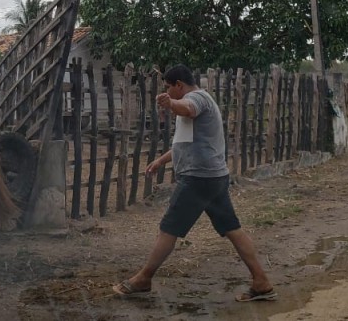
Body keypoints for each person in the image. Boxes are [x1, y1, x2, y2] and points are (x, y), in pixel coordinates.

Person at [113, 64, 276, 302]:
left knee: (169, 228)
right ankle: (261, 281)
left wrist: (171, 103)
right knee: (232, 229)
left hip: (199, 179)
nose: (167, 91)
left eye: (169, 87)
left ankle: (144, 278)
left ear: (179, 85)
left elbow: (188, 108)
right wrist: (160, 161)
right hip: (213, 178)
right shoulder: (195, 104)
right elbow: (183, 143)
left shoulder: (198, 99)